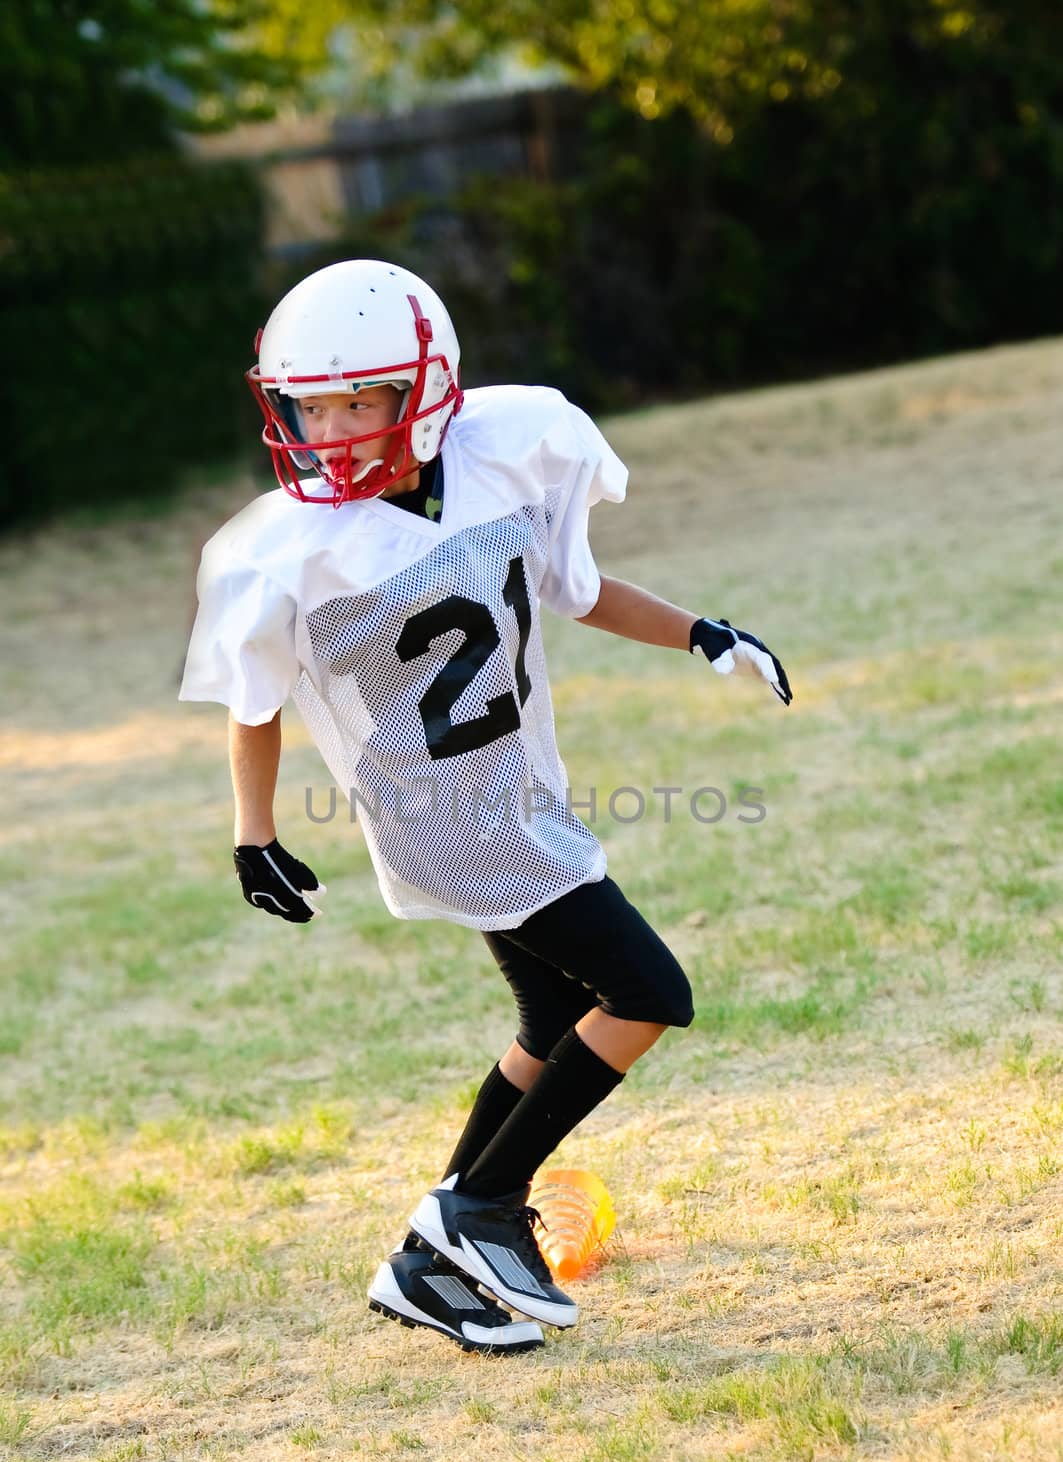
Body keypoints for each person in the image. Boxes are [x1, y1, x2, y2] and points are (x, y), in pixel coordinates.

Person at [180, 259, 792, 1356]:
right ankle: (479, 1207)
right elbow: (255, 699)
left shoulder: (505, 451)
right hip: (446, 815)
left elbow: (578, 587)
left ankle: (422, 1265)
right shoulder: (288, 545)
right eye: (307, 406)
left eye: (354, 401)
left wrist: (702, 629)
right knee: (650, 990)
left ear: (424, 389)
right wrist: (252, 831)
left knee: (551, 1024)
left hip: (512, 789)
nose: (326, 429)